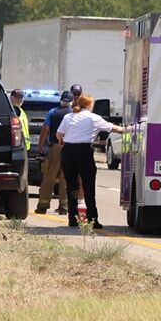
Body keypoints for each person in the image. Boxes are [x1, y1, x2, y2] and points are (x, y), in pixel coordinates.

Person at [56, 94, 125, 229]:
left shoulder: (68, 116)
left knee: (72, 186)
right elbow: (114, 128)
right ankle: (92, 219)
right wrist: (131, 130)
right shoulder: (93, 118)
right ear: (89, 105)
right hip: (83, 151)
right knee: (88, 186)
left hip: (68, 151)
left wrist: (61, 141)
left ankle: (73, 219)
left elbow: (59, 134)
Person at [34, 90, 73, 215]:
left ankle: (43, 206)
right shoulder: (74, 114)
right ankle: (64, 206)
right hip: (69, 147)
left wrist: (40, 146)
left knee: (49, 176)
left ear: (61, 100)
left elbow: (45, 129)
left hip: (55, 146)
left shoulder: (53, 112)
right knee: (65, 178)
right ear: (71, 102)